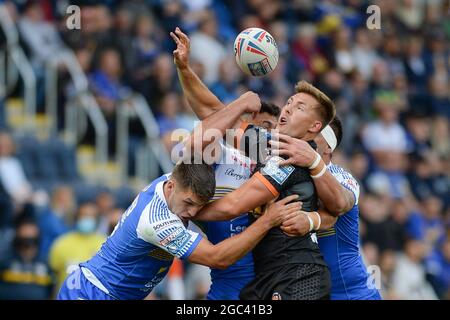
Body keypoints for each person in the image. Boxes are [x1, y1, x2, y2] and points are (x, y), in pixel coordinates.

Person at [57, 162, 297, 300]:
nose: (192, 214)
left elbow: (201, 137)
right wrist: (266, 221)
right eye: (189, 204)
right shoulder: (157, 222)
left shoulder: (170, 182)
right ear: (171, 187)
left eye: (199, 206)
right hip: (93, 292)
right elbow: (218, 258)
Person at [271, 117, 382, 299]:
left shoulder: (341, 178)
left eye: (315, 132)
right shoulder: (283, 172)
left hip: (350, 291)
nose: (306, 134)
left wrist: (309, 220)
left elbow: (338, 205)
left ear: (329, 147)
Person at [49, 203, 105, 293]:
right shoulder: (62, 243)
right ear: (77, 218)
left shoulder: (105, 243)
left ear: (96, 220)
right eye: (84, 215)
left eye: (91, 216)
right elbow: (54, 273)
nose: (87, 219)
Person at [0, 218, 53, 300]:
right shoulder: (5, 260)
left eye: (32, 239)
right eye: (24, 240)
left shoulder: (46, 263)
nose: (28, 246)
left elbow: (52, 289)